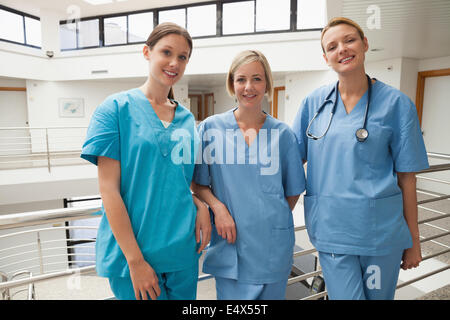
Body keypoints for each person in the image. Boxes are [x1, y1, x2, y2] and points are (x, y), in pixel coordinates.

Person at [292, 17, 429, 300]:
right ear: (326, 57)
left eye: (349, 40)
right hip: (332, 233)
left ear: (365, 44)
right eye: (332, 46)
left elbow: (407, 178)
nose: (342, 49)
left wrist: (414, 241)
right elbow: (291, 162)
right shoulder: (313, 104)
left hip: (381, 235)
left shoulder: (397, 104)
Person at [80, 22, 211, 300]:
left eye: (183, 56)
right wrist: (136, 261)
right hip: (134, 257)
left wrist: (198, 203)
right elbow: (109, 190)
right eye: (166, 52)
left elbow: (177, 181)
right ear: (146, 52)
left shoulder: (187, 120)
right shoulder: (114, 110)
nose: (174, 62)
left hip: (181, 252)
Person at [191, 50, 306, 300]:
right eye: (241, 79)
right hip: (230, 247)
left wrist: (268, 221)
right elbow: (198, 184)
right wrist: (218, 208)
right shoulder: (210, 128)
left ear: (266, 84)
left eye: (257, 79)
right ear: (232, 84)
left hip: (272, 249)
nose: (248, 87)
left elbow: (293, 191)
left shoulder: (283, 134)